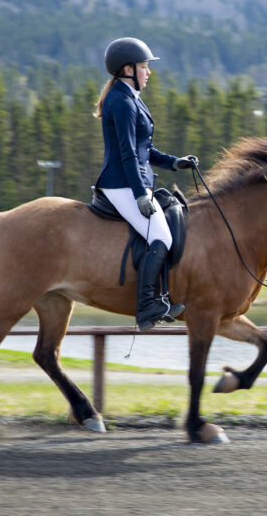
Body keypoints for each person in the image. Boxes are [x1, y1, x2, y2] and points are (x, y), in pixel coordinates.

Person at [94, 37, 198, 331]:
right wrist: (141, 195)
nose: (149, 72)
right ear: (128, 69)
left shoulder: (129, 97)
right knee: (161, 238)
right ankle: (147, 305)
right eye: (144, 67)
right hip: (122, 184)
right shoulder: (121, 101)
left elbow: (144, 151)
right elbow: (127, 154)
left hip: (133, 181)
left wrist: (175, 162)